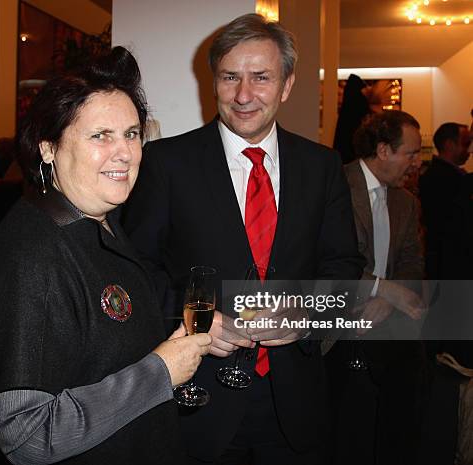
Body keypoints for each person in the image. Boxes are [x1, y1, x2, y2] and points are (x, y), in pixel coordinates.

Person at [122, 14, 364, 464]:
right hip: (197, 399)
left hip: (296, 402)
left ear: (286, 85)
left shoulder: (322, 166)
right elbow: (135, 270)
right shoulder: (166, 163)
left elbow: (344, 267)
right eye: (230, 76)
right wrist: (193, 319)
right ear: (212, 82)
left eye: (261, 77)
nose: (244, 95)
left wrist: (305, 317)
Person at [0, 46, 211, 465]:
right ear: (48, 148)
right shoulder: (31, 259)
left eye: (132, 133)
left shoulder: (97, 220)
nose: (125, 152)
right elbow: (26, 435)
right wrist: (159, 373)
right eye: (101, 135)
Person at [328, 110, 426, 465]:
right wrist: (385, 290)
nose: (416, 163)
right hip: (340, 334)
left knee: (394, 432)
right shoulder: (336, 184)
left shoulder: (407, 201)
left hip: (391, 332)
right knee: (347, 434)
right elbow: (331, 262)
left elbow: (414, 264)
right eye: (411, 153)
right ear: (383, 150)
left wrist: (388, 297)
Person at [419, 122, 470, 278]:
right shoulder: (447, 179)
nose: (469, 150)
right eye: (465, 143)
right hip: (449, 264)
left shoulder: (437, 173)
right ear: (449, 144)